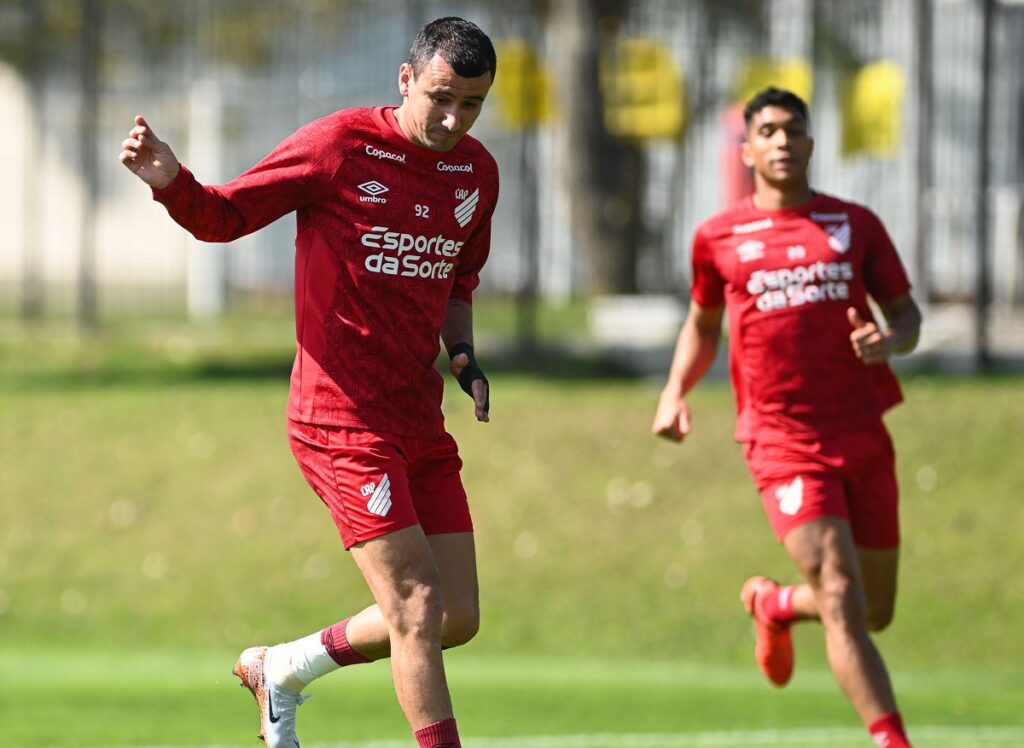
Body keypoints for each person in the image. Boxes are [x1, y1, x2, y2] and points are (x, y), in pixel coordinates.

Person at [120, 17, 498, 748]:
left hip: (418, 420)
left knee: (456, 618)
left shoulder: (476, 172)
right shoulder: (340, 148)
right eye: (442, 98)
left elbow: (459, 277)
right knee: (417, 602)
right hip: (339, 420)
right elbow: (226, 216)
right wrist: (172, 181)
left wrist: (463, 355)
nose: (455, 119)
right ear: (405, 79)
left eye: (473, 104)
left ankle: (286, 666)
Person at [651, 87, 922, 748]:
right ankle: (892, 739)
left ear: (809, 142)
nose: (781, 141)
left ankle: (773, 604)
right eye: (767, 131)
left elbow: (907, 316)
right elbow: (703, 324)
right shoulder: (718, 236)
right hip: (781, 441)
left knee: (871, 609)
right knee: (836, 587)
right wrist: (674, 389)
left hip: (861, 430)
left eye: (793, 130)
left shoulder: (854, 224)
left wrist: (890, 341)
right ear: (747, 149)